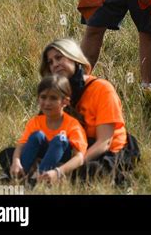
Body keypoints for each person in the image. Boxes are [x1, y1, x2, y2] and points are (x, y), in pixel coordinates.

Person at [35, 38, 137, 184]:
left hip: (104, 151)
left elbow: (104, 142)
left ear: (74, 57)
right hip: (72, 148)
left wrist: (65, 168)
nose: (55, 64)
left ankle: (53, 176)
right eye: (50, 62)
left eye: (59, 57)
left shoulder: (102, 88)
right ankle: (45, 174)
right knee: (9, 155)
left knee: (89, 171)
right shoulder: (57, 93)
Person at [0, 75, 87, 185]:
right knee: (36, 136)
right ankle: (21, 176)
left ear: (65, 101)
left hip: (59, 166)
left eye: (53, 98)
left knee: (60, 139)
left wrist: (58, 172)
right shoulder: (35, 121)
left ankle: (40, 179)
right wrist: (16, 161)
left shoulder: (73, 125)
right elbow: (21, 145)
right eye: (43, 97)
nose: (47, 103)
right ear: (38, 98)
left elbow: (79, 158)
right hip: (37, 159)